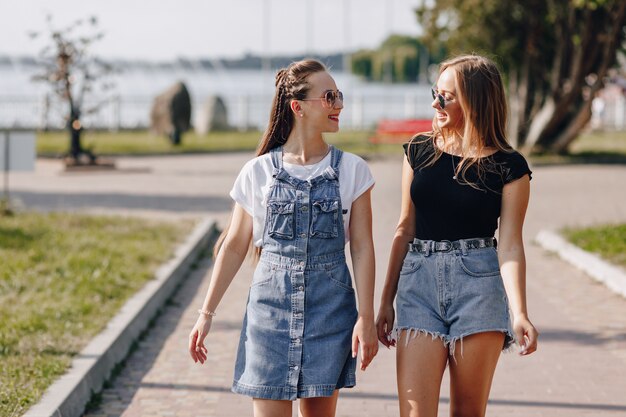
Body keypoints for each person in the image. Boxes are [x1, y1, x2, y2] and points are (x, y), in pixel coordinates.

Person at [188, 59, 378, 417]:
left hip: (330, 315)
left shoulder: (354, 170)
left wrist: (365, 318)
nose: (339, 105)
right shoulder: (256, 172)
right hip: (268, 317)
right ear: (298, 107)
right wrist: (206, 314)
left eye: (339, 96)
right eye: (330, 97)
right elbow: (234, 244)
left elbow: (364, 248)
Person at [375, 54, 539, 417]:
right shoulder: (418, 151)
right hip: (418, 289)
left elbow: (510, 245)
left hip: (478, 288)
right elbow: (405, 228)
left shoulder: (509, 168)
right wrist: (386, 301)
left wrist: (521, 312)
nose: (435, 103)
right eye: (436, 92)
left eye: (446, 96)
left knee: (467, 412)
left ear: (476, 101)